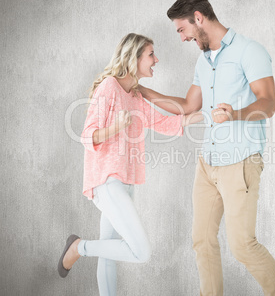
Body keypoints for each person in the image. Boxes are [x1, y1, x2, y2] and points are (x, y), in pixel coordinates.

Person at [138, 0, 275, 295]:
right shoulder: (203, 61)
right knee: (202, 240)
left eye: (182, 30)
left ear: (198, 18)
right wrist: (142, 91)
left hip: (241, 161)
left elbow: (269, 104)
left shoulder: (250, 51)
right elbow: (188, 106)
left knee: (243, 246)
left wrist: (235, 114)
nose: (181, 38)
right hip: (208, 164)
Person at [57, 33, 202, 296]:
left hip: (127, 182)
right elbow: (86, 136)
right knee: (141, 251)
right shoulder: (109, 87)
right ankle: (79, 247)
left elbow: (165, 123)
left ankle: (86, 254)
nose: (156, 60)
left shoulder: (135, 97)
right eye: (150, 55)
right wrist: (117, 127)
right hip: (107, 180)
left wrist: (206, 117)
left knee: (109, 251)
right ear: (133, 58)